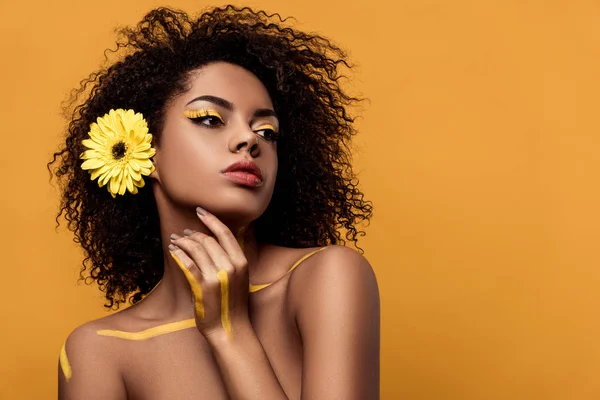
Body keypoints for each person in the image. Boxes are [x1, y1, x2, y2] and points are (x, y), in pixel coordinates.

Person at [49, 5, 379, 399]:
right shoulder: (98, 351)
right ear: (142, 150)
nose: (249, 140)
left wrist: (230, 331)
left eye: (268, 131)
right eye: (210, 119)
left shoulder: (326, 278)